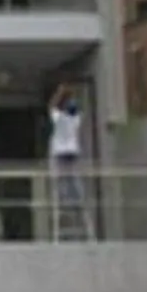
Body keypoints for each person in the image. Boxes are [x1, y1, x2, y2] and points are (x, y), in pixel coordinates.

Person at [48, 82, 91, 240]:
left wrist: (59, 94)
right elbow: (78, 110)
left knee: (60, 180)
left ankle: (64, 201)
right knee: (74, 178)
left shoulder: (59, 118)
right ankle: (78, 201)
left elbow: (52, 107)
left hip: (60, 151)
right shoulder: (76, 119)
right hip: (72, 151)